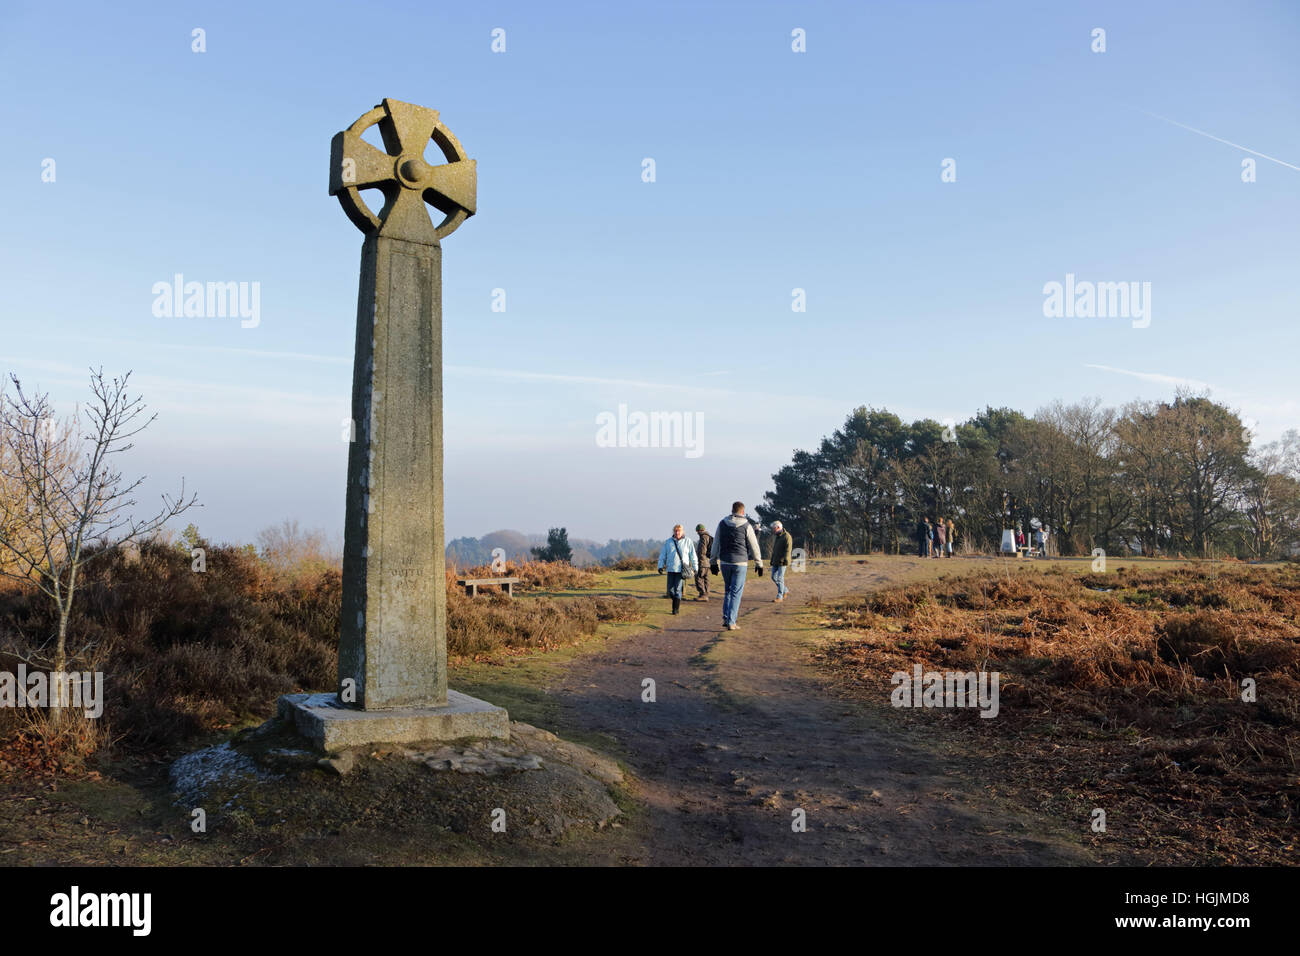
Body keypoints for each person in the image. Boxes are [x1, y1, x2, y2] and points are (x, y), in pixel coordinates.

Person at [709, 501, 763, 630]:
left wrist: (713, 561)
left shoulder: (722, 523)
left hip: (725, 562)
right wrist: (758, 563)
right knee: (736, 592)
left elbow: (716, 543)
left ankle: (726, 617)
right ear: (742, 511)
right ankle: (731, 622)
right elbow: (754, 545)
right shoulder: (746, 525)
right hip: (740, 563)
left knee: (728, 590)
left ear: (732, 510)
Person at [657, 524, 698, 615]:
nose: (677, 532)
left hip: (681, 570)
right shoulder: (668, 542)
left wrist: (695, 567)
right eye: (676, 531)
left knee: (678, 590)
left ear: (682, 532)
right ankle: (675, 601)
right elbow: (663, 555)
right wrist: (660, 566)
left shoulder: (688, 541)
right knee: (670, 590)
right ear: (673, 532)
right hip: (671, 569)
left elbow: (693, 555)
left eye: (679, 531)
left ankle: (675, 609)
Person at [769, 520, 793, 602]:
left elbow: (788, 549)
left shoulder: (787, 536)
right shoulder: (777, 536)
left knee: (780, 578)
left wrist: (786, 559)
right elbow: (775, 550)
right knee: (773, 577)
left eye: (774, 528)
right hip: (776, 560)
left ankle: (780, 596)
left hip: (783, 561)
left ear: (778, 527)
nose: (773, 530)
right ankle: (785, 590)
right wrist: (772, 559)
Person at [693, 523, 713, 601]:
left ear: (699, 530)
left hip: (702, 561)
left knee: (698, 577)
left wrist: (699, 560)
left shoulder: (703, 537)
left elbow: (702, 550)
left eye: (697, 531)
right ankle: (706, 594)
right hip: (708, 561)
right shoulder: (709, 537)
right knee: (706, 578)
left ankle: (703, 594)